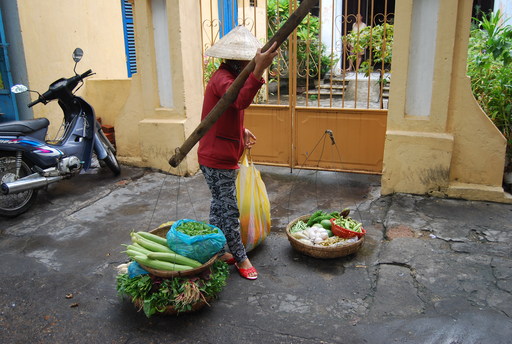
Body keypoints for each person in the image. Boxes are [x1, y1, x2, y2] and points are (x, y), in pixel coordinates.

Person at [198, 26, 278, 280]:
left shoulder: (230, 76)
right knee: (229, 210)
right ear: (238, 60)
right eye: (249, 60)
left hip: (222, 153)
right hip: (216, 157)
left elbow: (230, 110)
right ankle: (240, 257)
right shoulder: (222, 78)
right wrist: (259, 69)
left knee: (219, 206)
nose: (250, 62)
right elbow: (240, 100)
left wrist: (241, 129)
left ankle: (216, 249)